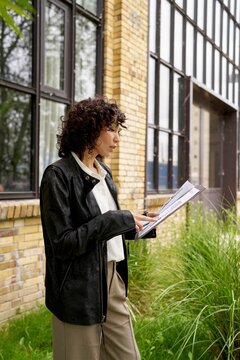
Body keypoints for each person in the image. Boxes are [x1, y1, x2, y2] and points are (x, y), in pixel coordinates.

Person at [40, 97, 157, 360]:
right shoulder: (57, 176)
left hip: (112, 279)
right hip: (77, 288)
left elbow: (105, 226)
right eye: (112, 129)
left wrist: (141, 222)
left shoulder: (103, 172)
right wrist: (115, 219)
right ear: (90, 129)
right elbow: (63, 243)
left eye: (118, 130)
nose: (117, 138)